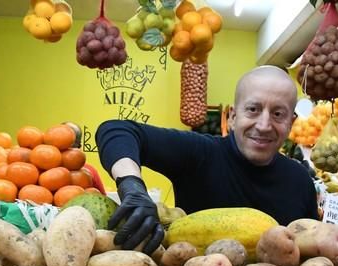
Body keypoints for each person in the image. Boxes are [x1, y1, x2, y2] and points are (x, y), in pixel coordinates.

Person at [96, 65, 318, 254]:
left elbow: (312, 247)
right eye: (253, 109)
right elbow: (116, 130)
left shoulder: (300, 181)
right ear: (232, 116)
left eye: (278, 114)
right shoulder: (200, 153)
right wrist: (131, 185)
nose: (263, 125)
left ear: (291, 122)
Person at [63, 121, 106, 194]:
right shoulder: (41, 169)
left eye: (70, 145)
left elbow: (102, 200)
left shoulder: (89, 172)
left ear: (78, 147)